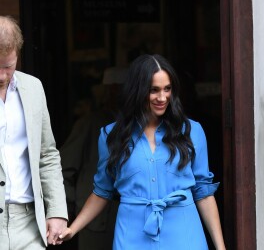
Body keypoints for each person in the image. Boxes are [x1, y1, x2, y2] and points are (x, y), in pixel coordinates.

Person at [59, 54, 226, 250]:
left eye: (167, 89)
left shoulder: (191, 131)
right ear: (137, 90)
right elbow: (102, 191)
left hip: (184, 234)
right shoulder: (111, 136)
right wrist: (73, 228)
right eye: (153, 90)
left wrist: (220, 247)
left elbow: (204, 193)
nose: (162, 97)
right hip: (131, 235)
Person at [0, 15, 68, 249]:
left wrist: (57, 210)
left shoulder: (33, 88)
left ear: (18, 55)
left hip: (28, 220)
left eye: (8, 66)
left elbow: (47, 154)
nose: (2, 75)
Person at [60, 66, 127, 250]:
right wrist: (70, 210)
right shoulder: (90, 124)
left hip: (128, 218)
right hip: (95, 222)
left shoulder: (137, 124)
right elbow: (63, 168)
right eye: (116, 88)